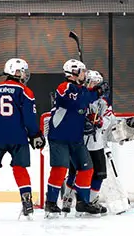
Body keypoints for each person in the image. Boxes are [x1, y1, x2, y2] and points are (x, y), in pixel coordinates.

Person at [0, 58, 45, 220]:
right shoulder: (25, 91)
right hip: (17, 135)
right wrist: (34, 134)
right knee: (20, 168)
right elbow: (29, 117)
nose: (25, 75)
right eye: (23, 71)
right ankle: (27, 203)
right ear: (16, 72)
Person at [43, 59, 103, 217]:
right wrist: (96, 92)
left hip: (76, 138)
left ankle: (82, 202)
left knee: (87, 168)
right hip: (59, 137)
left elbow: (86, 103)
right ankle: (50, 202)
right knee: (60, 169)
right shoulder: (65, 87)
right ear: (74, 72)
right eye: (82, 71)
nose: (85, 74)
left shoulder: (81, 89)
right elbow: (78, 102)